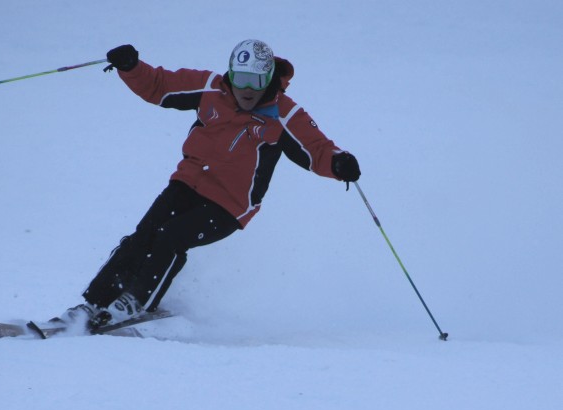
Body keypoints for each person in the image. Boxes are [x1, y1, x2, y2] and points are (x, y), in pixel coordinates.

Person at [60, 39, 361, 328]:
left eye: (255, 81)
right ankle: (94, 304)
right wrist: (131, 67)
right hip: (187, 183)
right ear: (230, 74)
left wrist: (338, 163)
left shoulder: (283, 113)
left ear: (268, 79)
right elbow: (159, 85)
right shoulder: (211, 88)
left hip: (229, 205)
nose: (246, 89)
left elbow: (316, 149)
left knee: (170, 237)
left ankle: (136, 302)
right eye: (240, 78)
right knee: (142, 236)